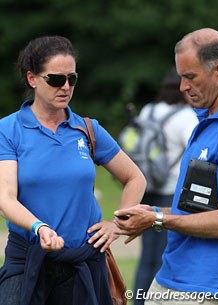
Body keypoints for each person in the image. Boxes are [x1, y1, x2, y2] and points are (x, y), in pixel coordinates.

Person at [0, 36, 146, 305]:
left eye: (72, 79)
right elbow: (6, 199)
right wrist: (39, 227)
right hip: (27, 260)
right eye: (56, 79)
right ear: (32, 79)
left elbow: (135, 178)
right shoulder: (9, 130)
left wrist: (117, 225)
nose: (66, 87)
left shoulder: (88, 129)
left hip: (83, 264)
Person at [115, 28, 218, 305]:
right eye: (181, 76)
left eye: (190, 77)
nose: (182, 87)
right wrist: (154, 213)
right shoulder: (206, 122)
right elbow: (202, 210)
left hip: (208, 288)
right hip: (172, 276)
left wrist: (158, 221)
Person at [132, 67, 198, 305]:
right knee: (162, 257)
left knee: (145, 257)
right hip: (169, 191)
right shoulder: (186, 116)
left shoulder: (148, 110)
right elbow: (195, 154)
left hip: (145, 187)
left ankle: (138, 300)